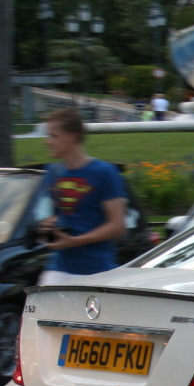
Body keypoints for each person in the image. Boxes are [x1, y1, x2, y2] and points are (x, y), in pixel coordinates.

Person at [36, 108, 127, 286]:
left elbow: (117, 226)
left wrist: (74, 241)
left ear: (71, 137)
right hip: (58, 269)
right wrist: (47, 225)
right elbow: (53, 216)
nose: (47, 142)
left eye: (53, 136)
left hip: (96, 272)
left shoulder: (103, 172)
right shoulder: (53, 172)